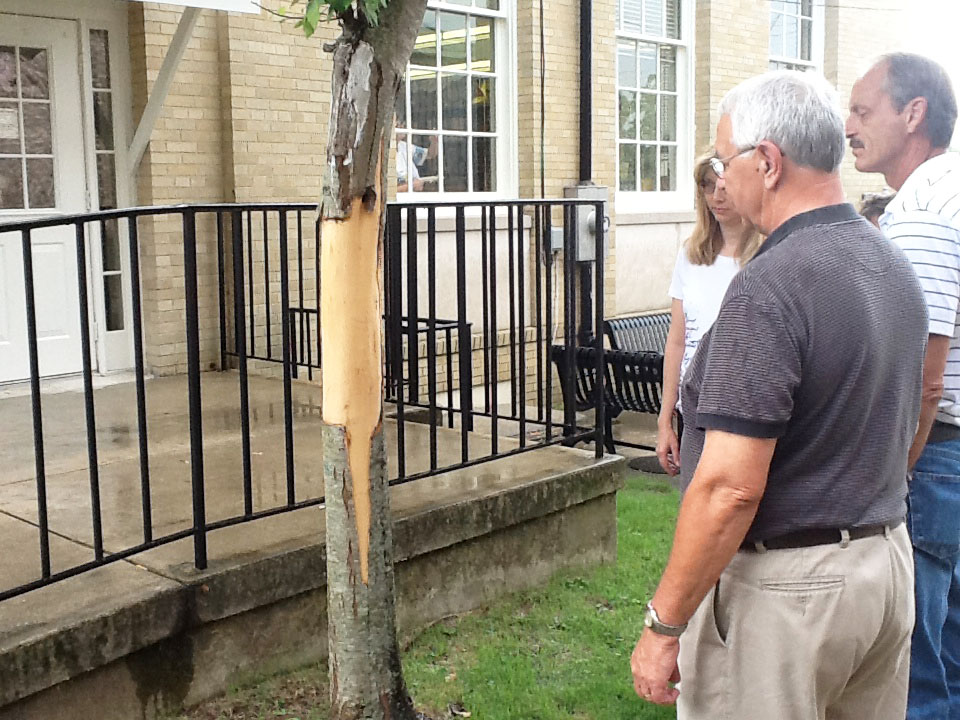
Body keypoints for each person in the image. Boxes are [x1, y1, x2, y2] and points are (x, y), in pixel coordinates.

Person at [630, 69, 927, 720]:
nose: (721, 178)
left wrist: (664, 624)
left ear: (766, 162)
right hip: (885, 568)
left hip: (790, 595)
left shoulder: (771, 287)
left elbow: (729, 487)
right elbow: (918, 404)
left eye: (723, 158)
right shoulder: (891, 265)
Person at [847, 52, 960, 720]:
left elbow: (920, 373)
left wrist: (896, 469)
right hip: (947, 455)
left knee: (913, 671)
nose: (850, 126)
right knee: (944, 651)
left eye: (863, 110)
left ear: (912, 113)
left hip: (930, 456)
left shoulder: (924, 205)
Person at [656, 155, 760, 475]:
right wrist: (664, 419)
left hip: (744, 411)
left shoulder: (766, 254)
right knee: (694, 509)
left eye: (725, 186)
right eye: (708, 186)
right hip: (694, 409)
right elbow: (677, 340)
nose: (717, 196)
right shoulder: (690, 254)